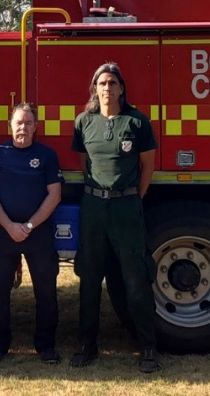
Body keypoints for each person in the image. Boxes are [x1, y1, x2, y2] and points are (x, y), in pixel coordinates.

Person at [70, 62, 160, 373]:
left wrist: (134, 196)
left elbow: (147, 166)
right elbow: (85, 164)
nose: (107, 88)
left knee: (135, 279)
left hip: (126, 208)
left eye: (112, 83)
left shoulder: (136, 121)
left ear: (122, 88)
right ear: (94, 89)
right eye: (102, 83)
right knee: (89, 279)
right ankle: (86, 344)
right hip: (94, 209)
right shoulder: (84, 122)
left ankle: (148, 347)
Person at [0, 103, 63, 366]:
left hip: (37, 233)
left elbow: (55, 194)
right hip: (5, 233)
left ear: (35, 127)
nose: (23, 128)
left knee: (46, 291)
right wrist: (9, 226)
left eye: (28, 123)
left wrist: (28, 225)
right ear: (10, 126)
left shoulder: (47, 155)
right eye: (19, 123)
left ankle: (46, 346)